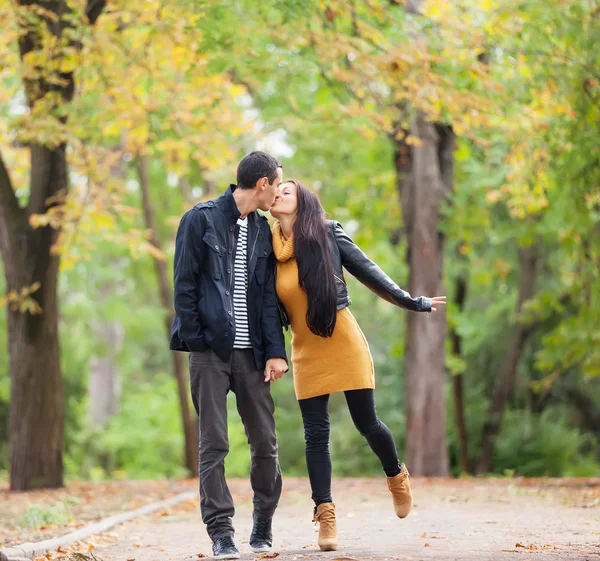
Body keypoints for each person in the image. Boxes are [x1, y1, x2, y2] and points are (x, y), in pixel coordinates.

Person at [270, 179, 446, 552]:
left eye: (287, 191)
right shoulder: (267, 246)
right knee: (315, 435)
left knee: (367, 422)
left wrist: (412, 301)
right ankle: (326, 515)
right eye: (276, 190)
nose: (279, 194)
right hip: (304, 347)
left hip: (342, 338)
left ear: (303, 203)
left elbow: (369, 271)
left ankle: (396, 476)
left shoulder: (326, 233)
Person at [171, 152, 289, 560]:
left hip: (253, 354)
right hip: (209, 351)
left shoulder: (262, 230)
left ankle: (263, 522)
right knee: (214, 443)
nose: (278, 190)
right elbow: (184, 286)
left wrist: (275, 352)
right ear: (262, 184)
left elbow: (268, 300)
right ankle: (221, 532)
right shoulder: (199, 219)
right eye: (277, 182)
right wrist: (196, 340)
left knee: (265, 442)